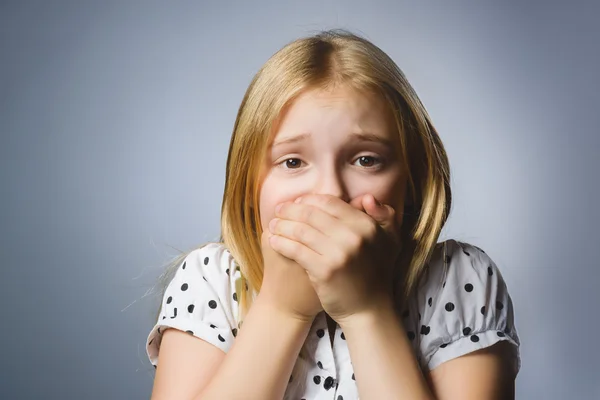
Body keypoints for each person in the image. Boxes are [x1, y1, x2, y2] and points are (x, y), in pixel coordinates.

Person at [146, 29, 521, 399]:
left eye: (366, 160)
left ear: (412, 182)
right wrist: (282, 309)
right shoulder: (211, 280)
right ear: (250, 189)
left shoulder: (456, 279)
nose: (330, 193)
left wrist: (367, 310)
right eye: (292, 161)